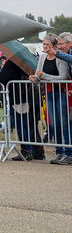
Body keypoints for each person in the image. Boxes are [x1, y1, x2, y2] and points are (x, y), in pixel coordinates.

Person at [31, 33, 71, 164]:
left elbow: (63, 77)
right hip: (48, 94)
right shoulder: (42, 57)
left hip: (61, 93)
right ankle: (59, 152)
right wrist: (33, 78)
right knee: (54, 125)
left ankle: (68, 153)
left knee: (64, 124)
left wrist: (44, 76)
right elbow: (39, 75)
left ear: (54, 46)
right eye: (44, 44)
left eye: (48, 45)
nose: (45, 47)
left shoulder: (61, 58)